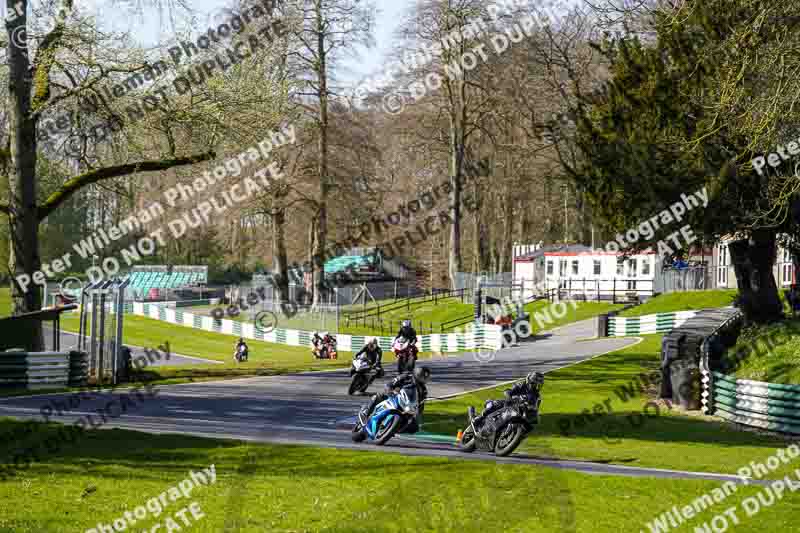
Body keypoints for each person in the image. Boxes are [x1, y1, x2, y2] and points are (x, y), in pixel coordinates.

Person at [360, 366, 431, 422]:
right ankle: (366, 412)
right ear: (417, 374)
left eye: (426, 378)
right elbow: (389, 384)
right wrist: (389, 391)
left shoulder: (423, 390)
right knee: (379, 396)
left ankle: (394, 429)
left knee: (413, 426)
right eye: (423, 377)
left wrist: (418, 414)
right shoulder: (406, 376)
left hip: (406, 405)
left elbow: (421, 403)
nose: (424, 379)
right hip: (394, 395)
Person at [472, 372, 544, 426]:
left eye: (539, 385)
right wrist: (509, 396)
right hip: (509, 404)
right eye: (535, 384)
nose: (536, 387)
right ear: (530, 382)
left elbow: (535, 409)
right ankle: (479, 418)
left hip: (520, 412)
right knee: (494, 405)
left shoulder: (537, 396)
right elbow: (508, 391)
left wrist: (536, 417)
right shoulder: (522, 385)